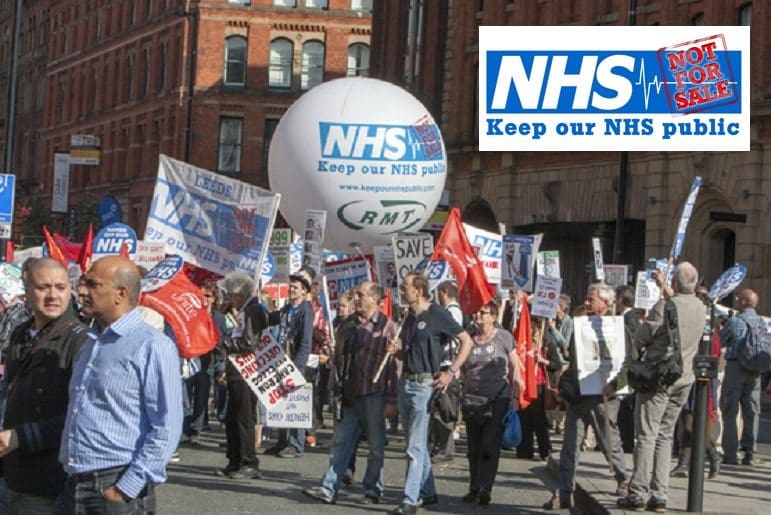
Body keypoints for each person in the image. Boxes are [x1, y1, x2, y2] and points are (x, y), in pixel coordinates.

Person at [58, 256, 183, 513]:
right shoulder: (92, 341)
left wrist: (127, 487)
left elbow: (167, 425)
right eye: (84, 283)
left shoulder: (152, 345)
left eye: (93, 284)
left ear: (121, 294)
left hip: (114, 486)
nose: (82, 291)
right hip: (73, 485)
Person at [0, 258, 88, 513]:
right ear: (27, 290)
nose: (53, 296)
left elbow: (80, 416)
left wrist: (22, 437)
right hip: (10, 471)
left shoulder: (81, 340)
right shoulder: (20, 333)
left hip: (47, 479)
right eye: (43, 287)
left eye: (60, 287)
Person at [617, 262, 707, 512]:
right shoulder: (701, 307)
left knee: (646, 435)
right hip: (684, 377)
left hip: (658, 377)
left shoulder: (664, 306)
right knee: (666, 436)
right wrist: (663, 285)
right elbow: (680, 301)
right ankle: (660, 494)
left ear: (676, 283)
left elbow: (641, 337)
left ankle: (638, 493)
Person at [385, 272, 475, 515]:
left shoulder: (437, 313)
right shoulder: (409, 318)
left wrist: (451, 372)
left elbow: (466, 341)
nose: (402, 292)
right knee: (415, 443)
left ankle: (409, 500)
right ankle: (428, 492)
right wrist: (397, 352)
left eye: (405, 288)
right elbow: (411, 354)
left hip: (424, 385)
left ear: (419, 290)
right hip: (406, 382)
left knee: (414, 446)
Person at [304, 282, 398, 505]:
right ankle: (329, 488)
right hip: (350, 394)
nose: (356, 298)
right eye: (356, 294)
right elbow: (340, 361)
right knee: (341, 443)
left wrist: (393, 400)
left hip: (375, 395)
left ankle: (373, 489)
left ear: (374, 299)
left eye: (361, 294)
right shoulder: (348, 325)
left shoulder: (388, 327)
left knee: (375, 446)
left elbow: (396, 367)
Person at [544, 283, 629, 510]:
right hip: (579, 396)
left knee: (608, 441)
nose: (587, 303)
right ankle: (563, 491)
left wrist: (616, 385)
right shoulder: (581, 324)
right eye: (588, 298)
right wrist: (567, 385)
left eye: (592, 299)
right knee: (570, 445)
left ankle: (622, 479)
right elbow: (574, 360)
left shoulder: (618, 329)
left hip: (603, 396)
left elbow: (627, 362)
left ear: (605, 303)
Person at [461, 299, 520, 506]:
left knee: (489, 445)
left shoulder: (504, 337)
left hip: (497, 400)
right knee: (473, 447)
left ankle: (486, 487)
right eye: (477, 312)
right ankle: (474, 487)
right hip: (472, 401)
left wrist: (515, 396)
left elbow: (516, 367)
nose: (478, 315)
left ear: (493, 317)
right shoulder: (468, 338)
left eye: (483, 312)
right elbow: (461, 367)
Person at [217, 272, 268, 480]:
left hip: (248, 371)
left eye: (231, 294)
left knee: (244, 418)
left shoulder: (253, 310)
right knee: (233, 417)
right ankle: (236, 460)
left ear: (239, 293)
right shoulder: (246, 310)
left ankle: (249, 462)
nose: (229, 298)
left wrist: (224, 343)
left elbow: (249, 343)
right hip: (238, 371)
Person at [265, 266, 315, 458]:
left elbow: (305, 342)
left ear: (304, 290)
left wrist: (297, 367)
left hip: (295, 363)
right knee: (283, 402)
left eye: (296, 287)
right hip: (281, 360)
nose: (292, 289)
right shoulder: (287, 309)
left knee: (296, 403)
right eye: (291, 286)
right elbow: (271, 319)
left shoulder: (305, 311)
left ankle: (296, 443)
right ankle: (283, 441)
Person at [719, 288, 764, 466]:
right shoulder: (761, 321)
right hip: (755, 370)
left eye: (739, 299)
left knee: (730, 409)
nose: (737, 301)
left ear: (745, 302)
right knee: (752, 410)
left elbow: (722, 339)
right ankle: (750, 452)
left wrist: (722, 325)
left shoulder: (737, 320)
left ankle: (730, 453)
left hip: (736, 367)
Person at [517, 317, 561, 461]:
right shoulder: (523, 341)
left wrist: (542, 361)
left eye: (533, 325)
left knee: (539, 419)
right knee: (524, 416)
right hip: (524, 383)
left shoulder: (547, 343)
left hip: (539, 384)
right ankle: (524, 450)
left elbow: (557, 364)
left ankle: (544, 449)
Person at [429, 280, 463, 463]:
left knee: (445, 410)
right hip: (442, 365)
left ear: (443, 292)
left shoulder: (453, 312)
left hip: (448, 366)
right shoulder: (449, 311)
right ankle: (437, 446)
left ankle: (446, 449)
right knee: (438, 408)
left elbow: (451, 334)